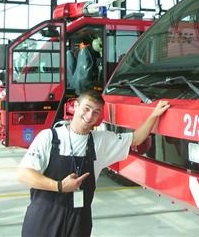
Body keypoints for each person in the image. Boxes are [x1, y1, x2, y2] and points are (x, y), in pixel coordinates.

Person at [17, 89, 170, 237]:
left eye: (96, 112)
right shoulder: (49, 137)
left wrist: (154, 114)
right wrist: (59, 186)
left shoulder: (101, 141)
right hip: (44, 218)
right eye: (86, 108)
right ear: (75, 106)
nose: (90, 116)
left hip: (79, 220)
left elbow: (136, 138)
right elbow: (24, 175)